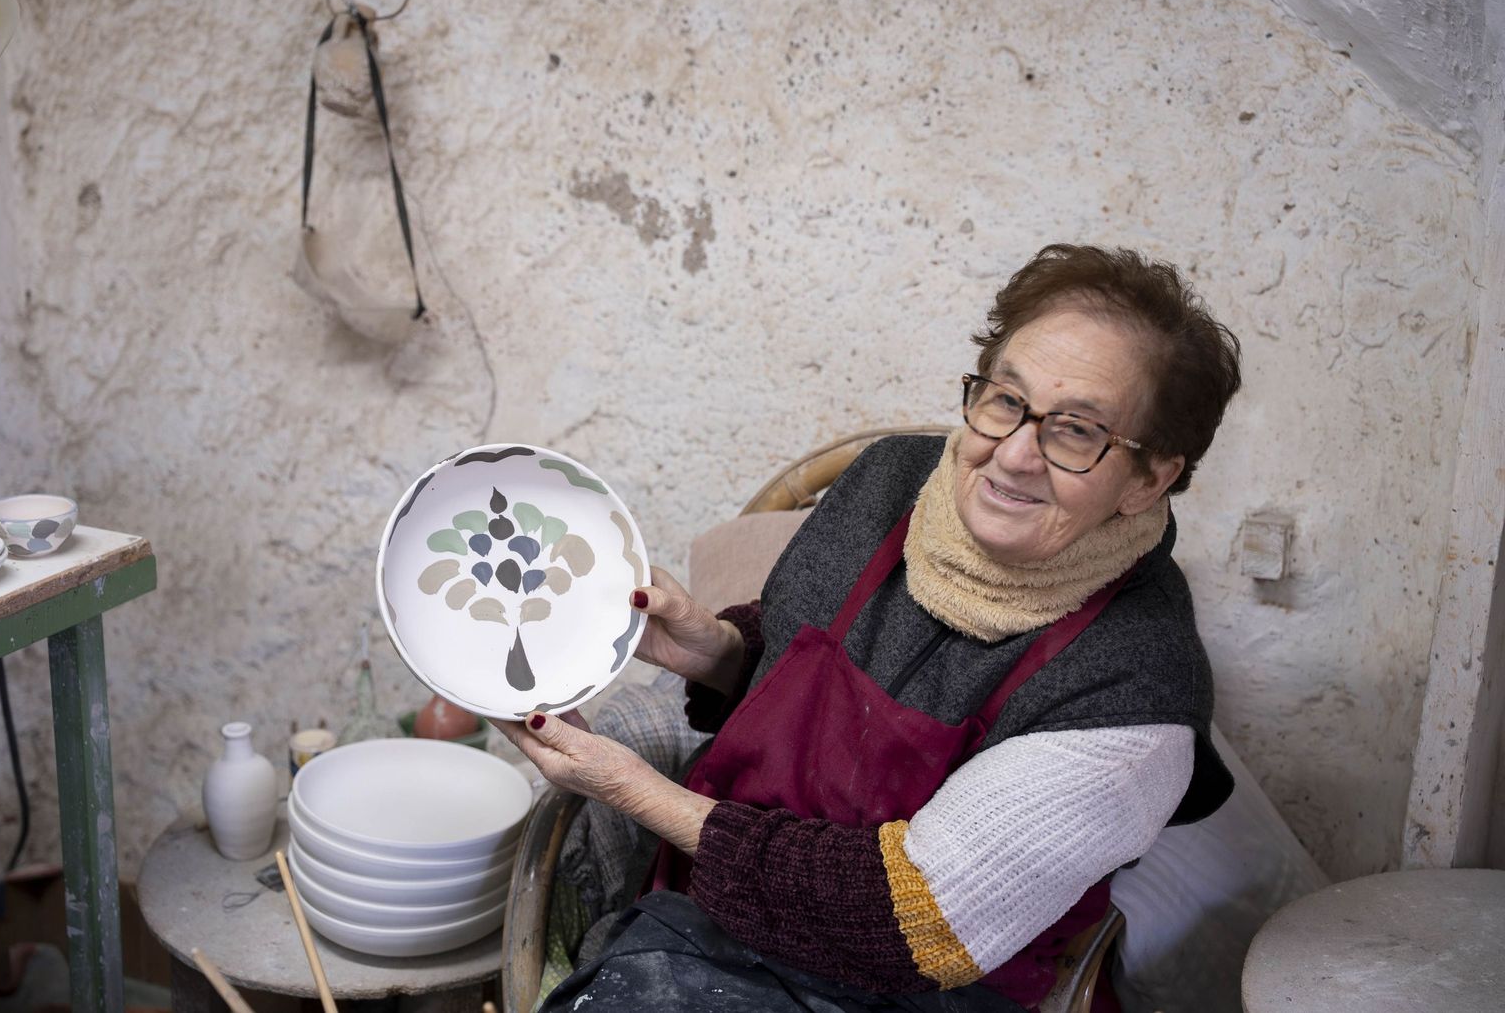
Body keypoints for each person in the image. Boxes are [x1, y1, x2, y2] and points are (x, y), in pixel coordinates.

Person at [493, 244, 1243, 1012]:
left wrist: (633, 789)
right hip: (711, 921)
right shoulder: (892, 484)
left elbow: (914, 922)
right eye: (1005, 401)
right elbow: (819, 681)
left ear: (1149, 477)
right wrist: (717, 654)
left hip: (912, 987)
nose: (1014, 456)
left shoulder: (1135, 691)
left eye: (1076, 431)